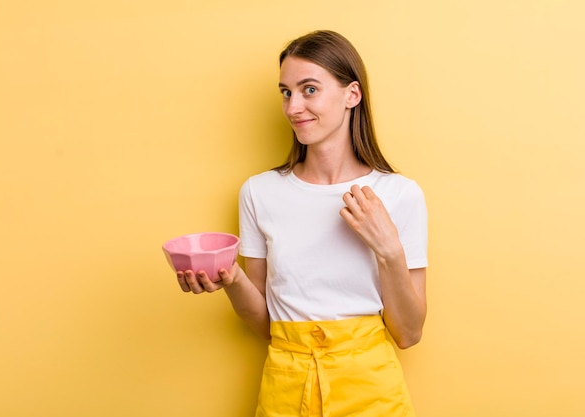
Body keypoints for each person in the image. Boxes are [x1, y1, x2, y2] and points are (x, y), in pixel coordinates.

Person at [176, 30, 428, 417]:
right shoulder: (259, 193)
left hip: (373, 394)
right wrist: (232, 280)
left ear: (352, 95)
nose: (294, 107)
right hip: (286, 390)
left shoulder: (398, 194)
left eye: (309, 89)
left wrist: (388, 248)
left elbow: (409, 334)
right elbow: (266, 327)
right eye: (286, 92)